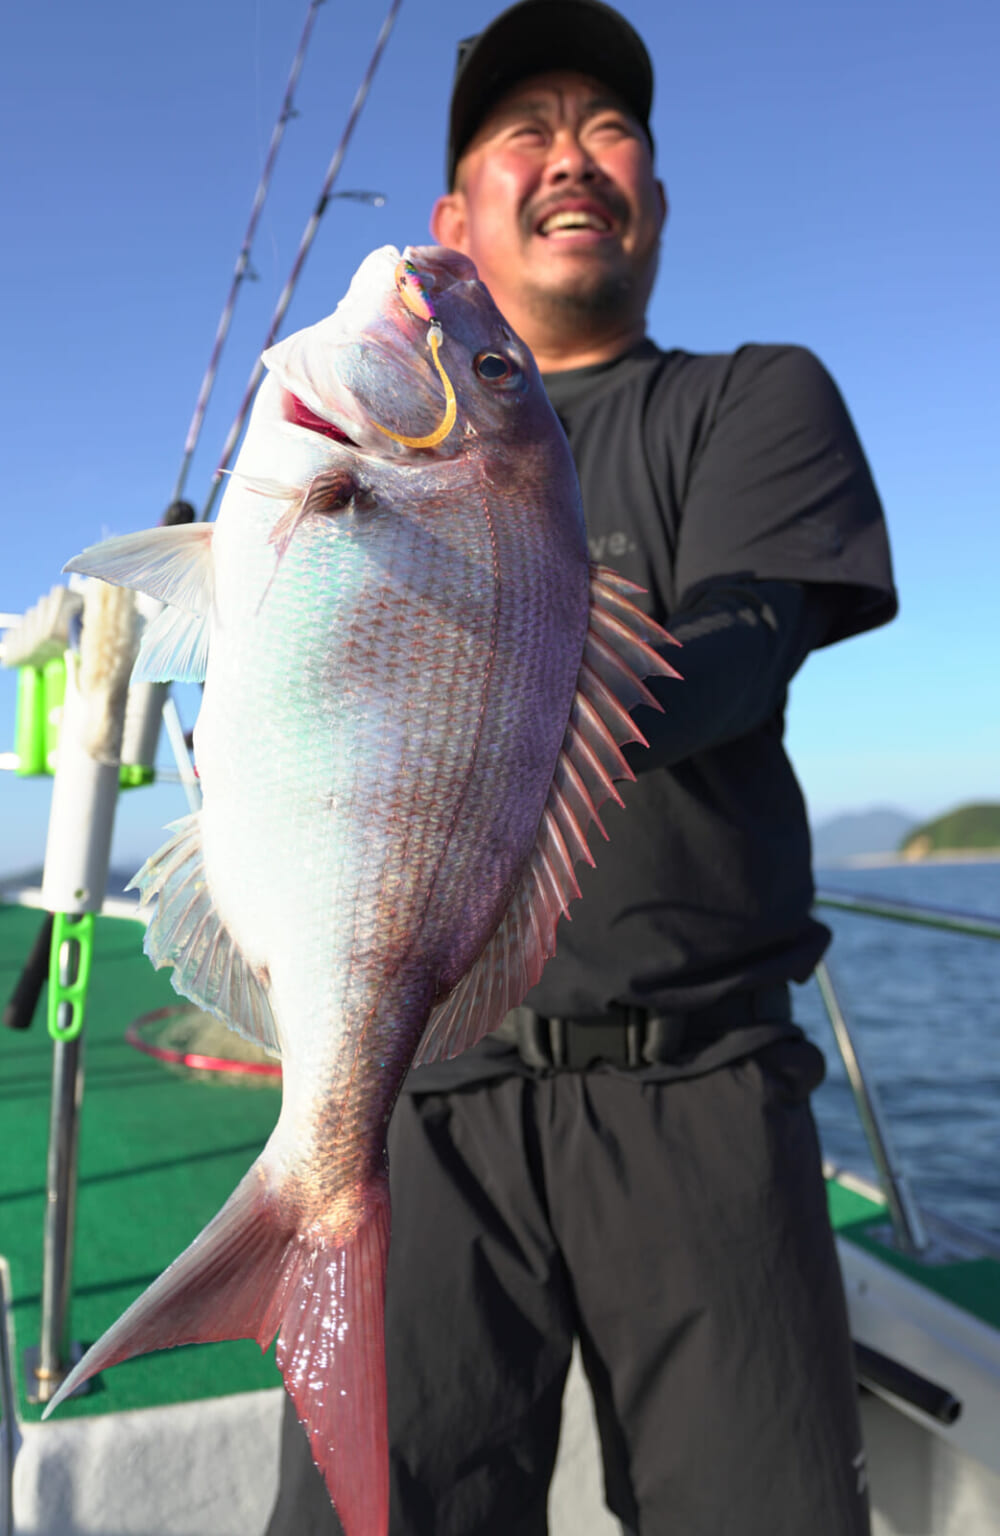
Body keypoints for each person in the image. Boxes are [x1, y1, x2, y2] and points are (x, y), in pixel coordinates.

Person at [264, 1, 897, 1531]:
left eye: (610, 129)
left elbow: (733, 663)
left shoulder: (752, 398)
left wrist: (483, 674)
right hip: (415, 1097)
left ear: (657, 197)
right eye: (521, 133)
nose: (572, 158)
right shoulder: (342, 440)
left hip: (703, 1098)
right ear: (451, 218)